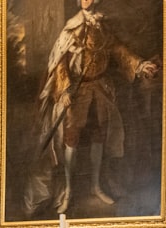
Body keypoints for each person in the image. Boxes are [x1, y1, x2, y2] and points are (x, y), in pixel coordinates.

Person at [39, 0, 159, 214]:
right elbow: (60, 63)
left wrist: (140, 65)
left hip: (100, 89)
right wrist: (65, 90)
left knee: (99, 136)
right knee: (71, 138)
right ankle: (68, 190)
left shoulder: (102, 27)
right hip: (78, 92)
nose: (88, 0)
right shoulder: (72, 28)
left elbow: (119, 52)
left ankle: (96, 186)